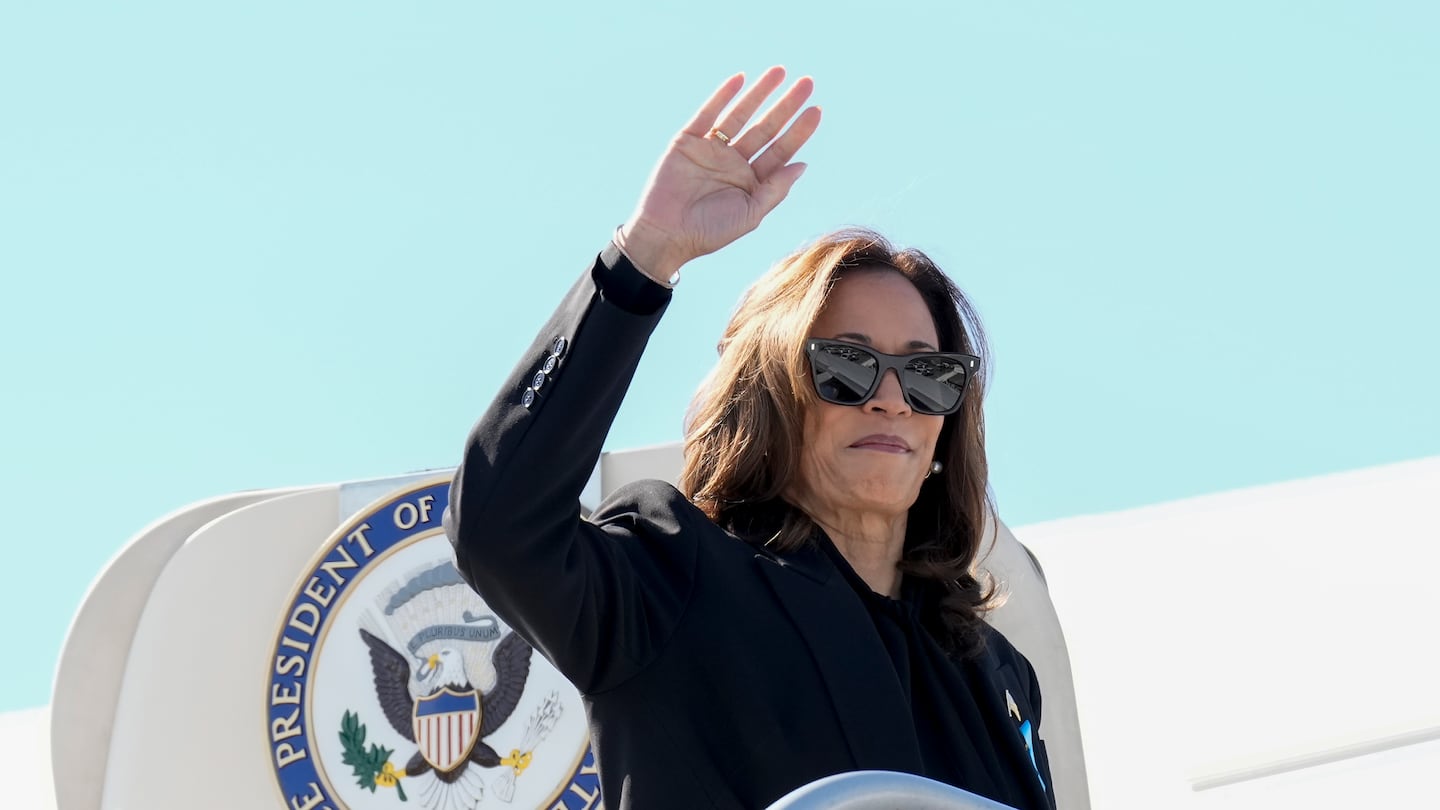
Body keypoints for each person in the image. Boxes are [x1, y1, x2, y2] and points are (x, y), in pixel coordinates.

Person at [445, 67, 1056, 810]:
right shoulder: (673, 577)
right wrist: (645, 257)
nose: (892, 399)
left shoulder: (996, 675)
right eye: (849, 366)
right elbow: (499, 528)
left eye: (928, 375)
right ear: (773, 394)